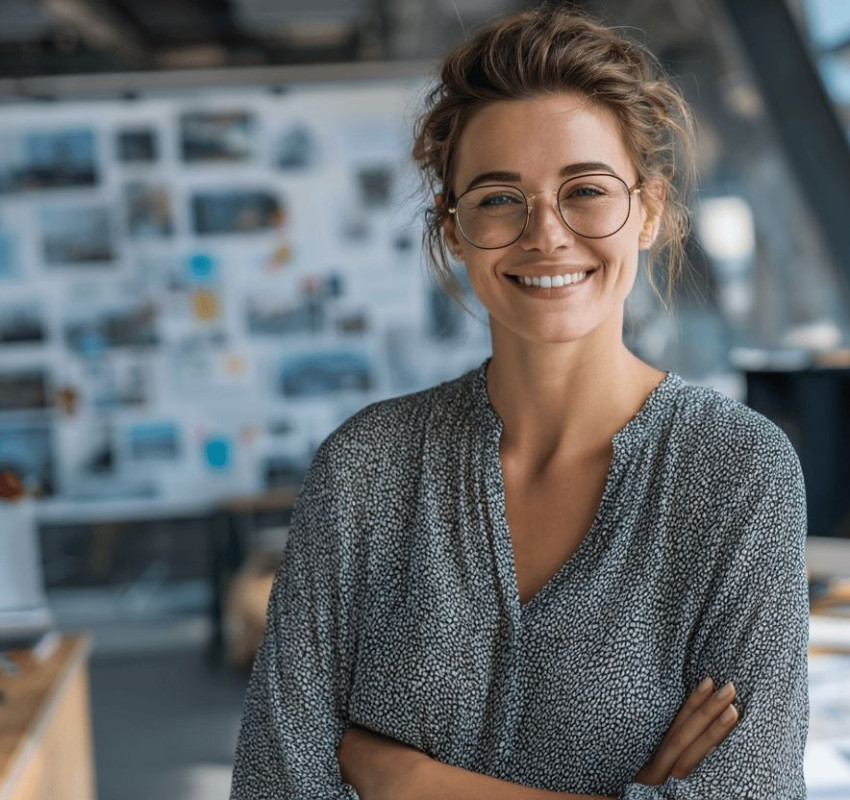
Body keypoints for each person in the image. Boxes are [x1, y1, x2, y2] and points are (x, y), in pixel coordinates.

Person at [229, 6, 810, 799]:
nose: (546, 234)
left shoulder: (737, 472)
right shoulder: (364, 471)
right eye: (500, 198)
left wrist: (404, 780)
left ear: (648, 209)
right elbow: (274, 784)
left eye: (586, 191)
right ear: (455, 228)